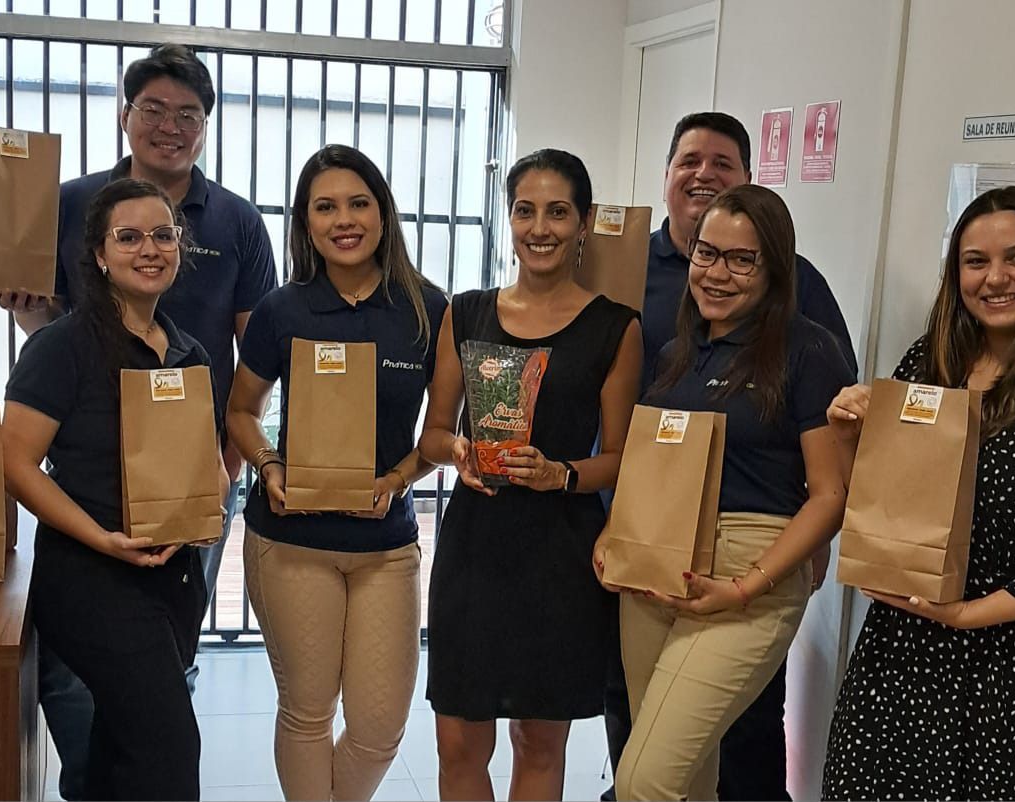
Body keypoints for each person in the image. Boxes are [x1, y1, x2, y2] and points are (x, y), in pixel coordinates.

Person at [0, 44, 278, 800]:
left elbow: (254, 364)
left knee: (143, 708)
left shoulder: (194, 328)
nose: (170, 126)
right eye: (152, 109)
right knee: (141, 728)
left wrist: (223, 476)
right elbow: (20, 449)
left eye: (188, 115)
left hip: (184, 522)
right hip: (91, 536)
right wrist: (99, 537)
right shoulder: (66, 226)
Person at [603, 110, 858, 802]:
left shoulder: (807, 350)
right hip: (657, 564)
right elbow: (648, 464)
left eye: (742, 259)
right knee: (687, 778)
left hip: (750, 572)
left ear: (774, 267)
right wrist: (614, 535)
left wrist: (750, 586)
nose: (717, 272)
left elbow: (830, 496)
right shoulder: (675, 354)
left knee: (643, 781)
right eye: (706, 254)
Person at [822, 186, 1015, 800]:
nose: (995, 279)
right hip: (903, 655)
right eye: (974, 261)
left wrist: (967, 615)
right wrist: (846, 435)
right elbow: (877, 500)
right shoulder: (930, 363)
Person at [418, 148, 643, 801]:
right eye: (525, 210)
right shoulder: (467, 313)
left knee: (539, 742)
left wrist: (562, 474)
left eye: (557, 212)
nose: (539, 228)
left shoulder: (614, 328)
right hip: (475, 551)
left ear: (582, 225)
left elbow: (623, 458)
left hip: (560, 554)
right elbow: (433, 431)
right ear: (509, 218)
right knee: (459, 742)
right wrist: (456, 452)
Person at [226, 144, 446, 801]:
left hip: (385, 547)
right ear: (306, 222)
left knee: (379, 728)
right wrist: (267, 464)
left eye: (358, 203)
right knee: (308, 711)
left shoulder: (427, 310)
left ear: (383, 214)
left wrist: (400, 477)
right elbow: (240, 409)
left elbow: (440, 435)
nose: (342, 219)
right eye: (325, 206)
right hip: (292, 542)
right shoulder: (281, 310)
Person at [2, 178, 227, 800]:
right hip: (90, 579)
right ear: (99, 255)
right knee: (170, 748)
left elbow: (205, 458)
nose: (148, 248)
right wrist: (103, 538)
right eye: (128, 237)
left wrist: (212, 496)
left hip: (173, 577)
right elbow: (17, 465)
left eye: (162, 235)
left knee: (118, 751)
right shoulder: (61, 347)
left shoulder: (188, 352)